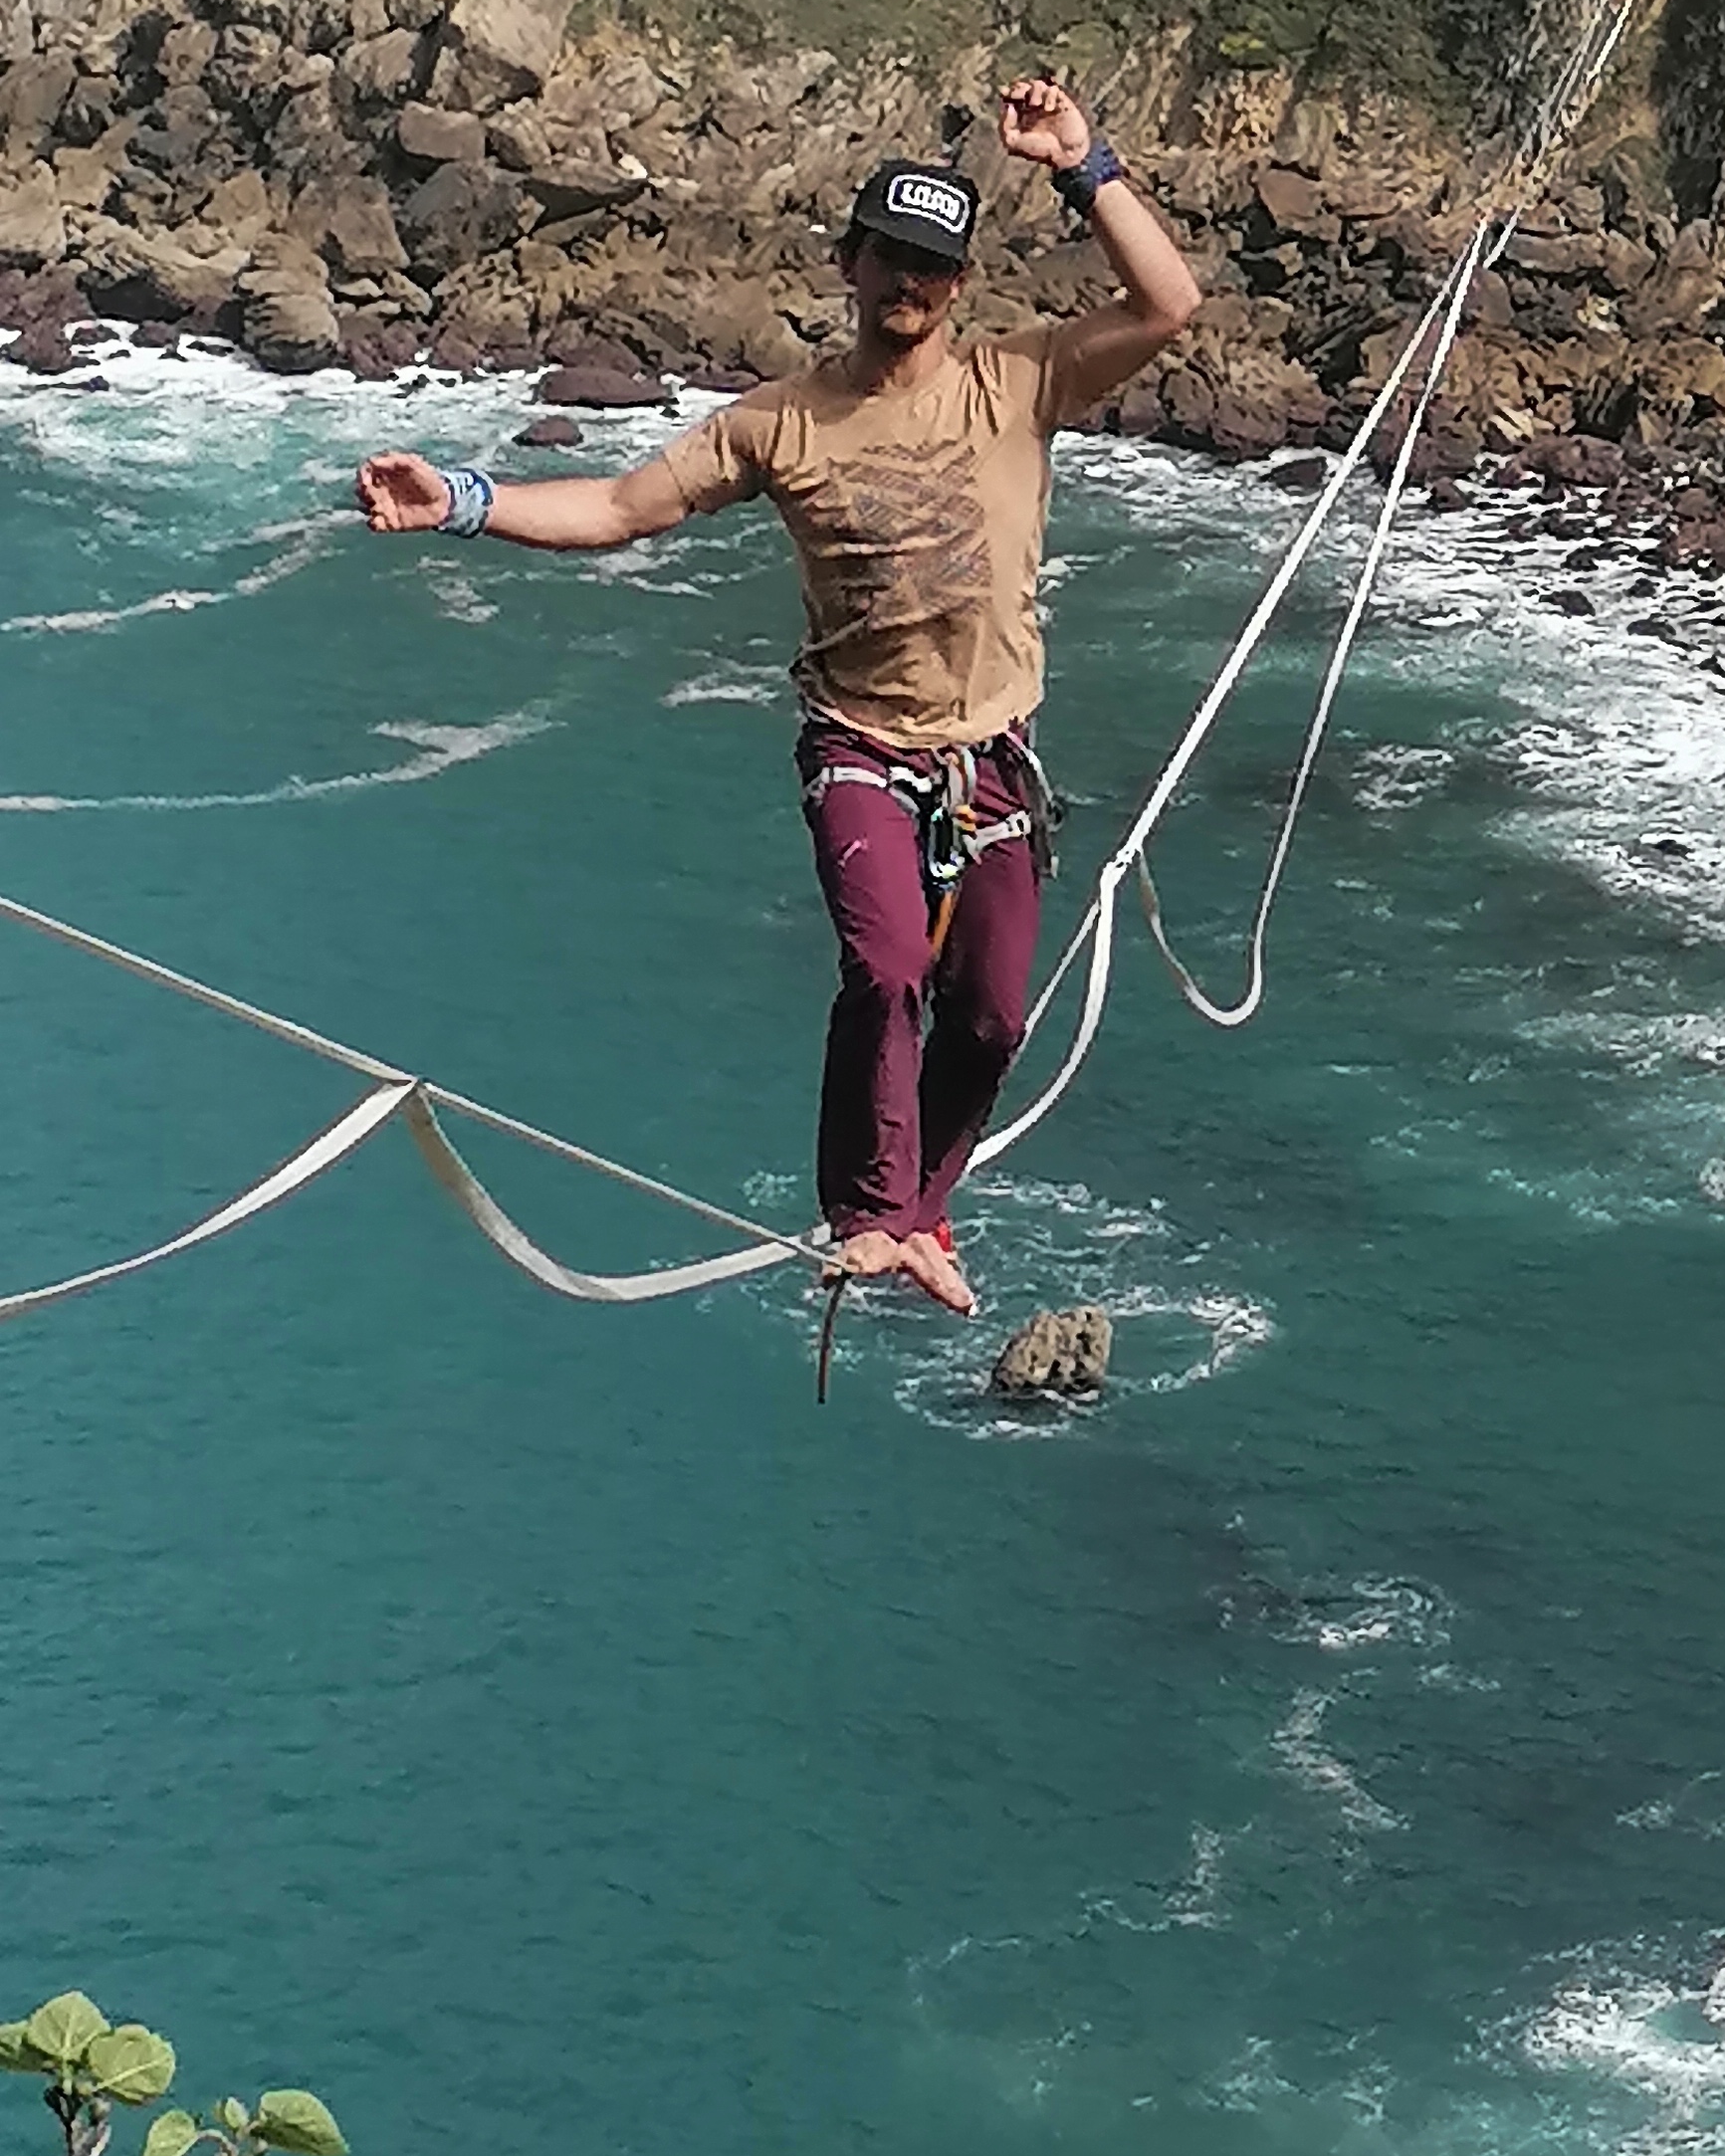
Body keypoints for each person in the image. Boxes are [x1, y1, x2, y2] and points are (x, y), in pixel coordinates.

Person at [355, 76, 1203, 1317]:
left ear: (959, 283)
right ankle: (865, 1214)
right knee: (887, 967)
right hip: (860, 745)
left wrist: (1085, 164)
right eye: (889, 256)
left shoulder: (1016, 382)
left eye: (932, 265)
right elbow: (620, 507)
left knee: (990, 1020)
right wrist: (465, 502)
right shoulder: (778, 423)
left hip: (992, 756)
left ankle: (922, 1213)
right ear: (849, 262)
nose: (908, 281)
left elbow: (1169, 302)